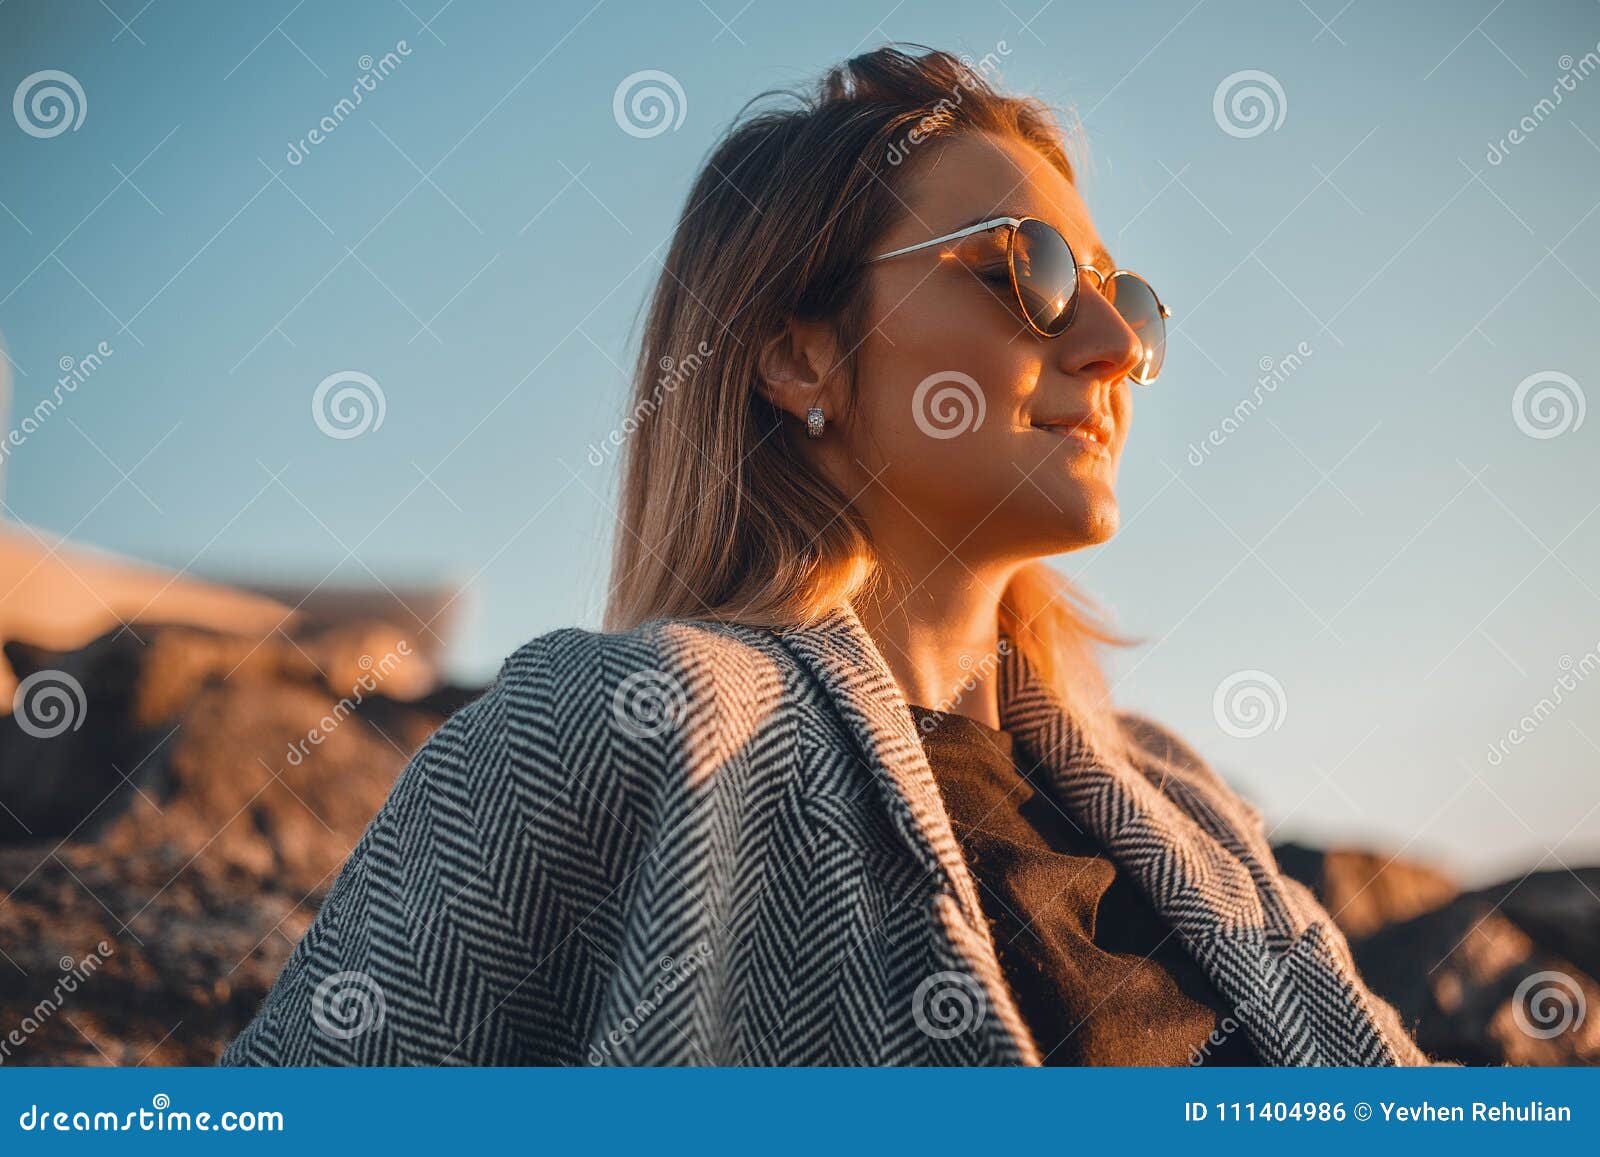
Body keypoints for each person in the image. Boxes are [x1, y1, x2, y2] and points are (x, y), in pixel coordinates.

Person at [221, 45, 1432, 1067]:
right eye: (1034, 272)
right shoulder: (615, 721)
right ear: (800, 356)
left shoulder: (1182, 801)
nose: (1114, 343)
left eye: (1129, 295)